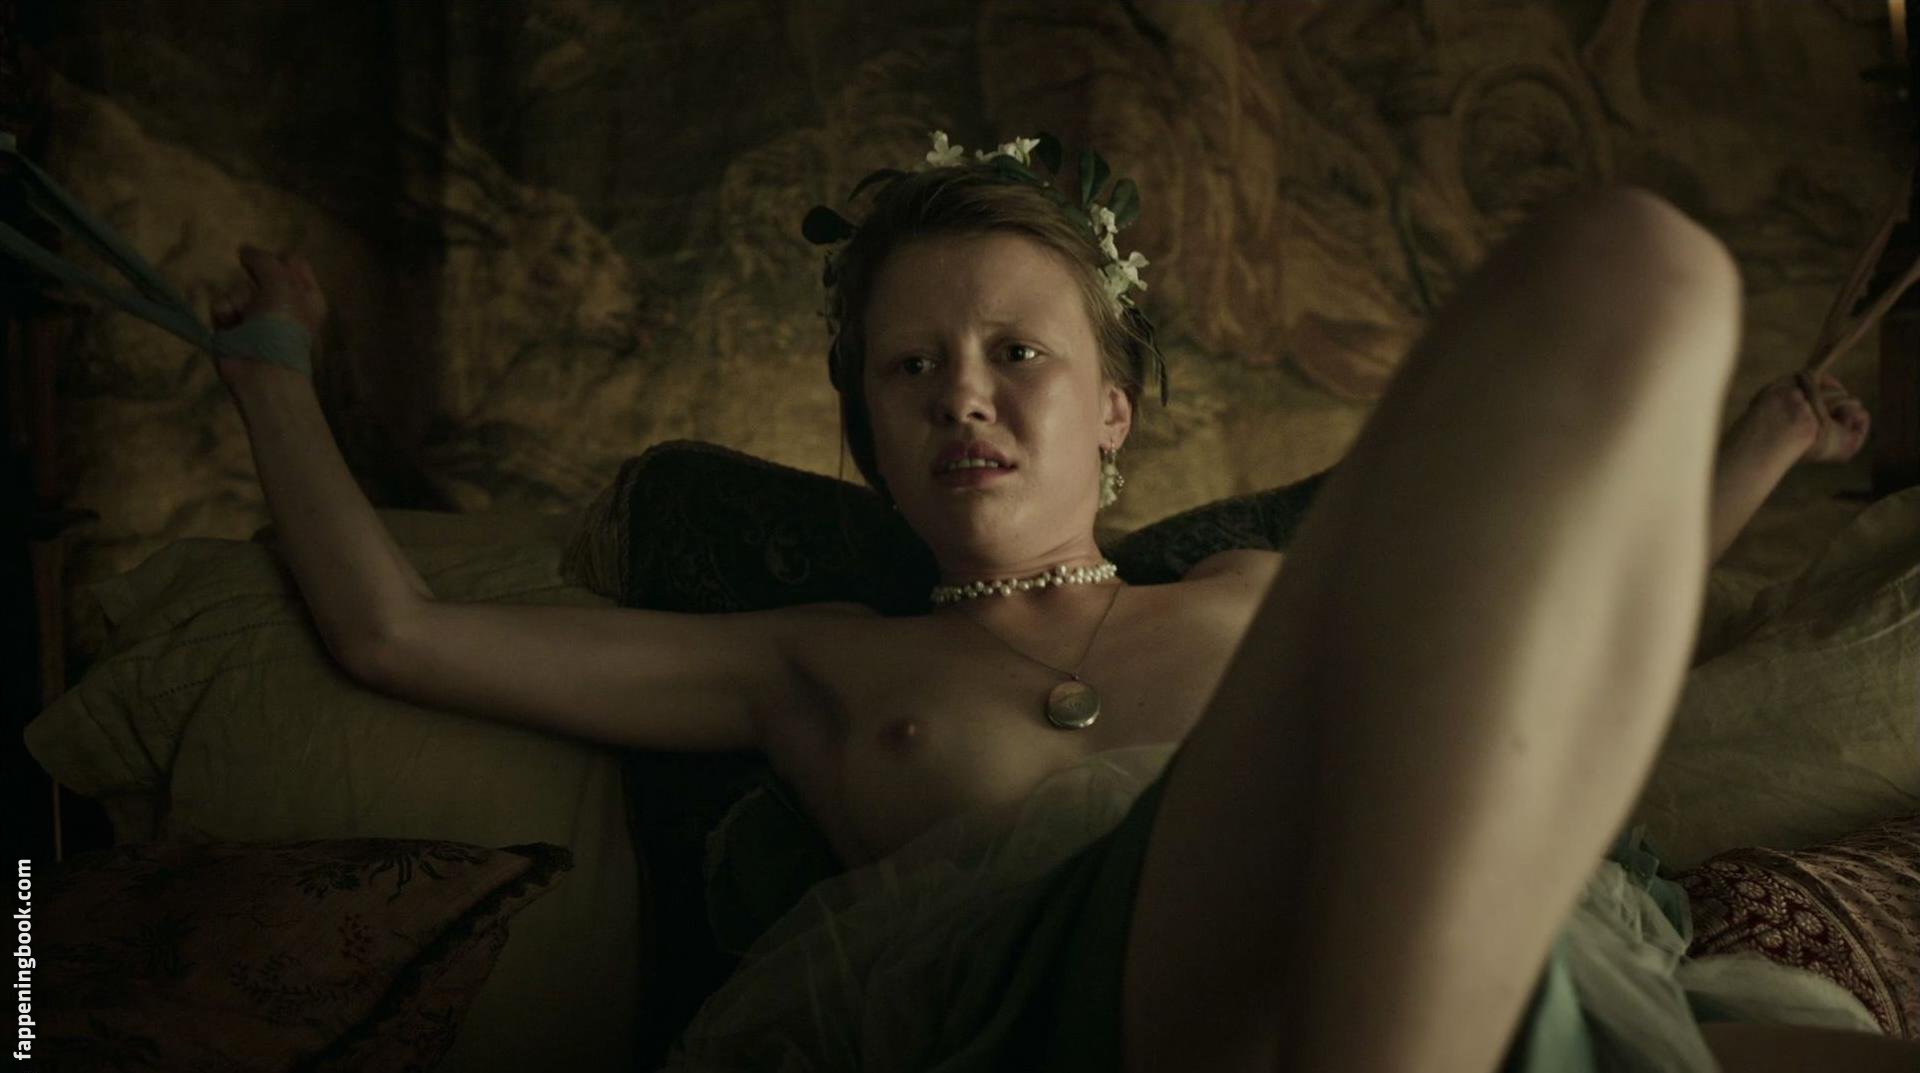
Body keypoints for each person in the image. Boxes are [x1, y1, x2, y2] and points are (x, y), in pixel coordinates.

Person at [206, 130, 1912, 1072]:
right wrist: (272, 370)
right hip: (1093, 1009)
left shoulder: (1254, 594)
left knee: (1644, 268)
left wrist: (1760, 449)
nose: (961, 392)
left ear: (1111, 411)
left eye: (1014, 351)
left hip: (1422, 979)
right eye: (910, 368)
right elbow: (398, 631)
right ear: (871, 433)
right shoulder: (819, 663)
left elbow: (1544, 640)